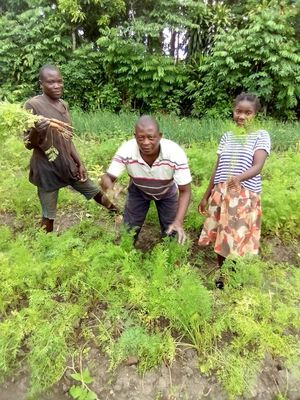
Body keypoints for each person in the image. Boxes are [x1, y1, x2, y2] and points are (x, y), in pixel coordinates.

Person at [24, 64, 116, 232]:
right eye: (51, 82)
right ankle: (45, 248)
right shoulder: (32, 105)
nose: (57, 85)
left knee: (94, 191)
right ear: (41, 83)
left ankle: (115, 211)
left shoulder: (63, 105)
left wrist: (79, 163)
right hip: (47, 170)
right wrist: (37, 130)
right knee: (49, 215)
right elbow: (28, 144)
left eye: (59, 81)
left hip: (67, 165)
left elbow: (68, 138)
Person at [198, 93, 271, 288]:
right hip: (221, 194)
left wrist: (238, 178)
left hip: (243, 196)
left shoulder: (260, 135)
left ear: (255, 114)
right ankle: (222, 276)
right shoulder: (227, 137)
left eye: (248, 113)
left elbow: (258, 166)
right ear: (233, 111)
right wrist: (206, 195)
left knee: (236, 239)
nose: (242, 116)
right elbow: (218, 167)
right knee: (221, 238)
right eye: (239, 111)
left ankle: (234, 276)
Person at [100, 115, 192, 244]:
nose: (146, 142)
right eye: (141, 138)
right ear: (135, 136)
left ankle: (171, 258)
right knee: (129, 231)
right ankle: (126, 255)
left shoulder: (174, 153)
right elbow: (107, 177)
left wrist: (178, 221)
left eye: (151, 137)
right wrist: (110, 189)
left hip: (166, 192)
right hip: (138, 190)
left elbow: (185, 191)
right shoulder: (126, 150)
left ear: (160, 136)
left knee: (171, 232)